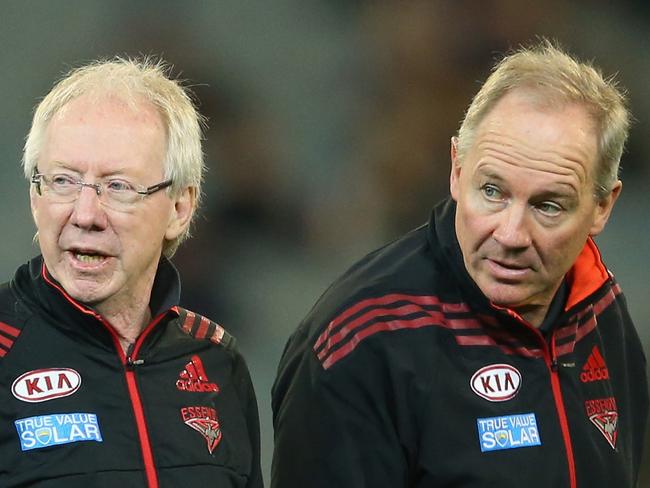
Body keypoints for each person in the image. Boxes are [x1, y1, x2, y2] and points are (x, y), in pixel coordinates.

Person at [271, 40, 648, 487]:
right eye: (492, 191)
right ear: (456, 169)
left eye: (548, 206)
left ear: (602, 206)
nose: (509, 235)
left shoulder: (602, 309)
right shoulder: (361, 342)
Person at [0, 58, 263, 488]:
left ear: (180, 208)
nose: (85, 215)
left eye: (117, 186)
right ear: (35, 196)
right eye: (63, 181)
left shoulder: (217, 361)